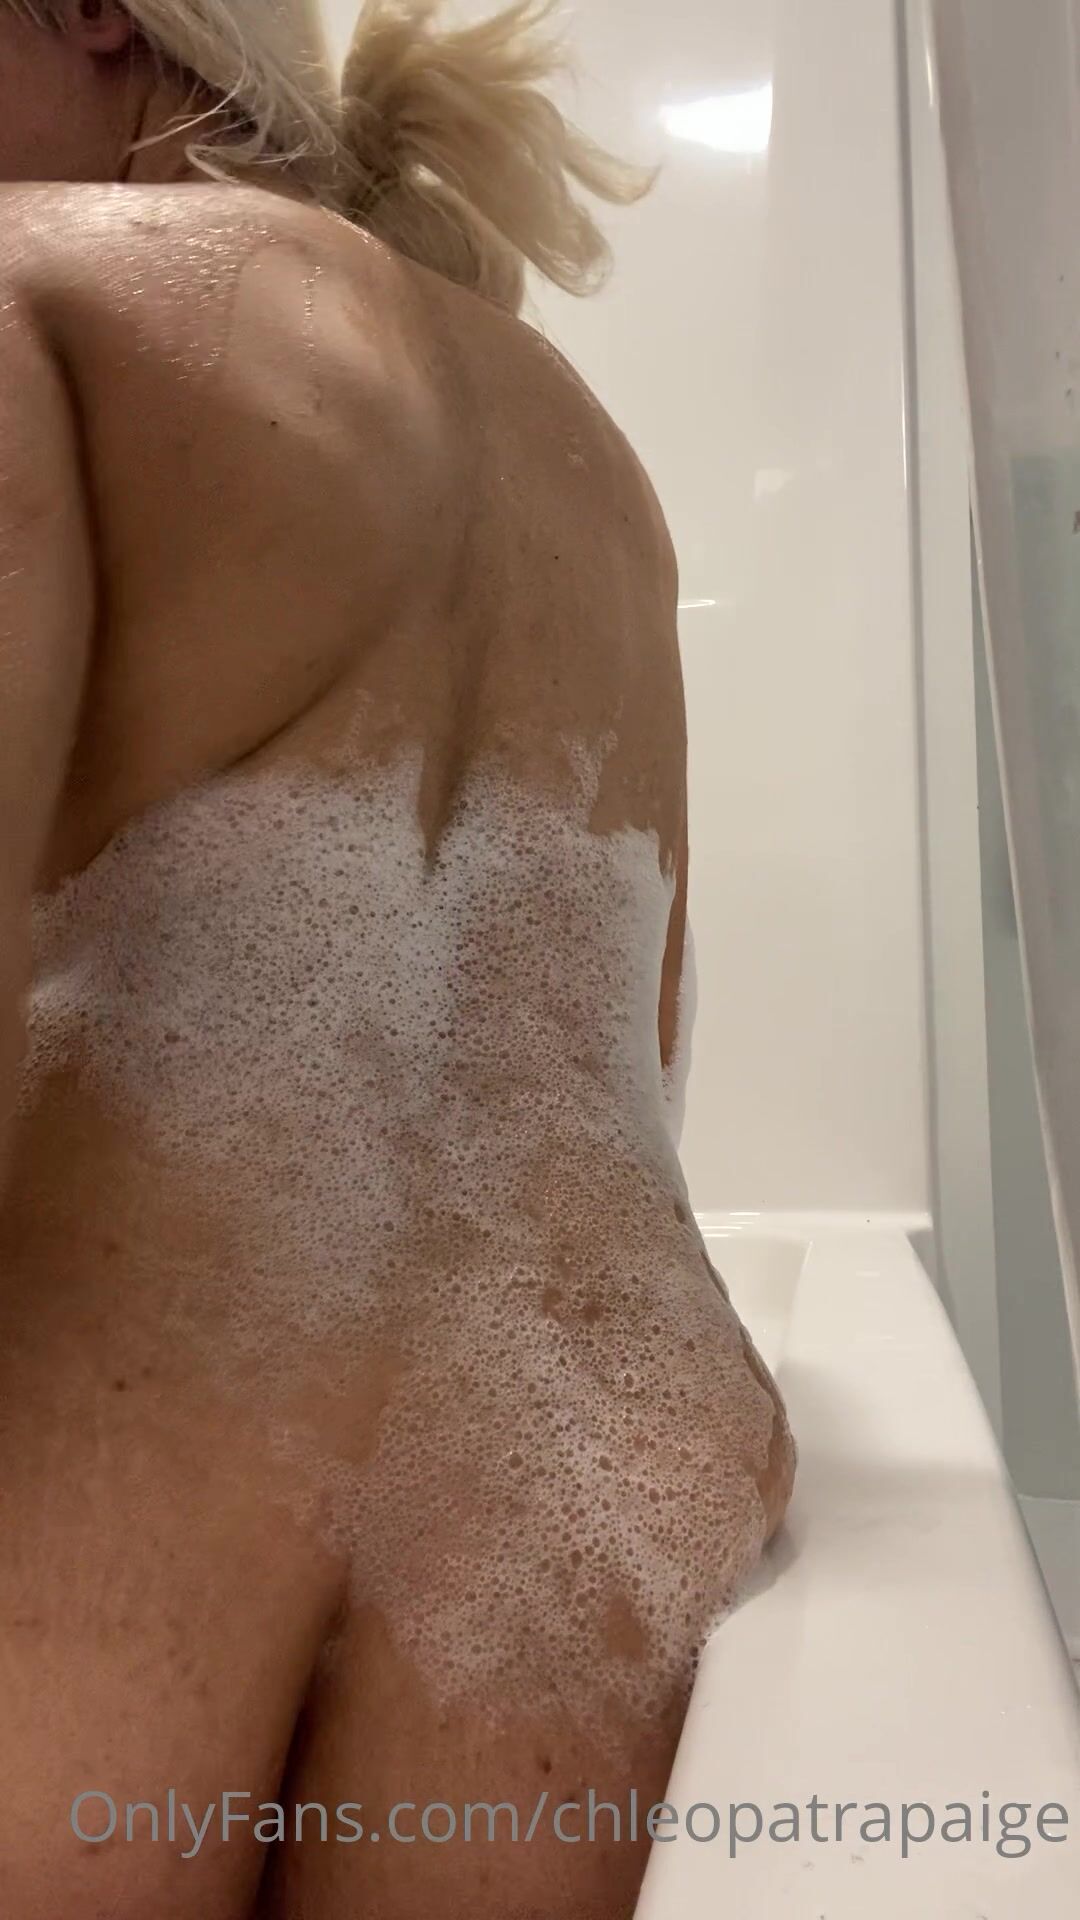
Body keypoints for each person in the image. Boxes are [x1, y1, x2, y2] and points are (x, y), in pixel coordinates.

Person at [0, 1, 795, 1913]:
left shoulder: (37, 286)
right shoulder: (594, 461)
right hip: (600, 1521)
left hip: (117, 1504)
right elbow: (644, 1042)